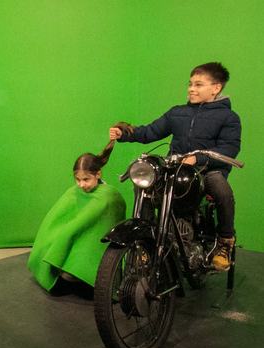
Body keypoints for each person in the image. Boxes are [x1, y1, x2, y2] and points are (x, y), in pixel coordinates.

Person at [109, 62, 241, 271]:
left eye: (198, 85)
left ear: (216, 88)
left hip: (206, 170)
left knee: (221, 189)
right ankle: (146, 237)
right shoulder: (177, 113)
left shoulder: (228, 118)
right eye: (190, 84)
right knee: (145, 184)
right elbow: (150, 131)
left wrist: (198, 158)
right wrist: (124, 134)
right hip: (176, 168)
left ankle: (225, 241)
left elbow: (229, 148)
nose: (191, 89)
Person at [27, 140, 126, 294]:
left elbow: (93, 225)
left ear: (98, 174)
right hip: (73, 245)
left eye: (86, 179)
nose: (81, 185)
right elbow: (56, 219)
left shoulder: (109, 196)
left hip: (91, 252)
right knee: (59, 284)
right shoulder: (74, 192)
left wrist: (69, 232)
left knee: (85, 289)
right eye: (77, 179)